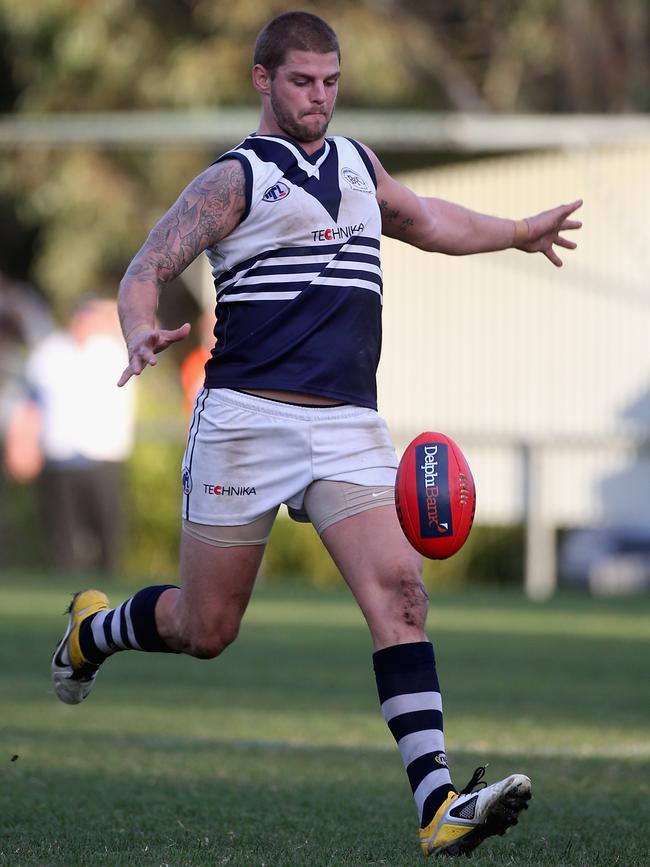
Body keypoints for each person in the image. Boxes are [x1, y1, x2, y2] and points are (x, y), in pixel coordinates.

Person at [51, 11, 581, 858]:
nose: (320, 98)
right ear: (263, 79)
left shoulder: (358, 163)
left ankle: (438, 803)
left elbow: (427, 218)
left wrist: (518, 233)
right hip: (246, 423)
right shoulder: (235, 180)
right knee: (206, 627)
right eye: (303, 82)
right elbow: (145, 267)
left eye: (331, 82)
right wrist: (139, 327)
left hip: (346, 425)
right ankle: (92, 630)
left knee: (402, 595)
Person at [7, 297, 135, 573]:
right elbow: (29, 402)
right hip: (60, 455)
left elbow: (148, 328)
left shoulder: (113, 350)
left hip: (103, 455)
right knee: (61, 530)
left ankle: (110, 578)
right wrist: (22, 442)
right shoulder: (50, 352)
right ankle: (65, 580)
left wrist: (117, 306)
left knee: (107, 528)